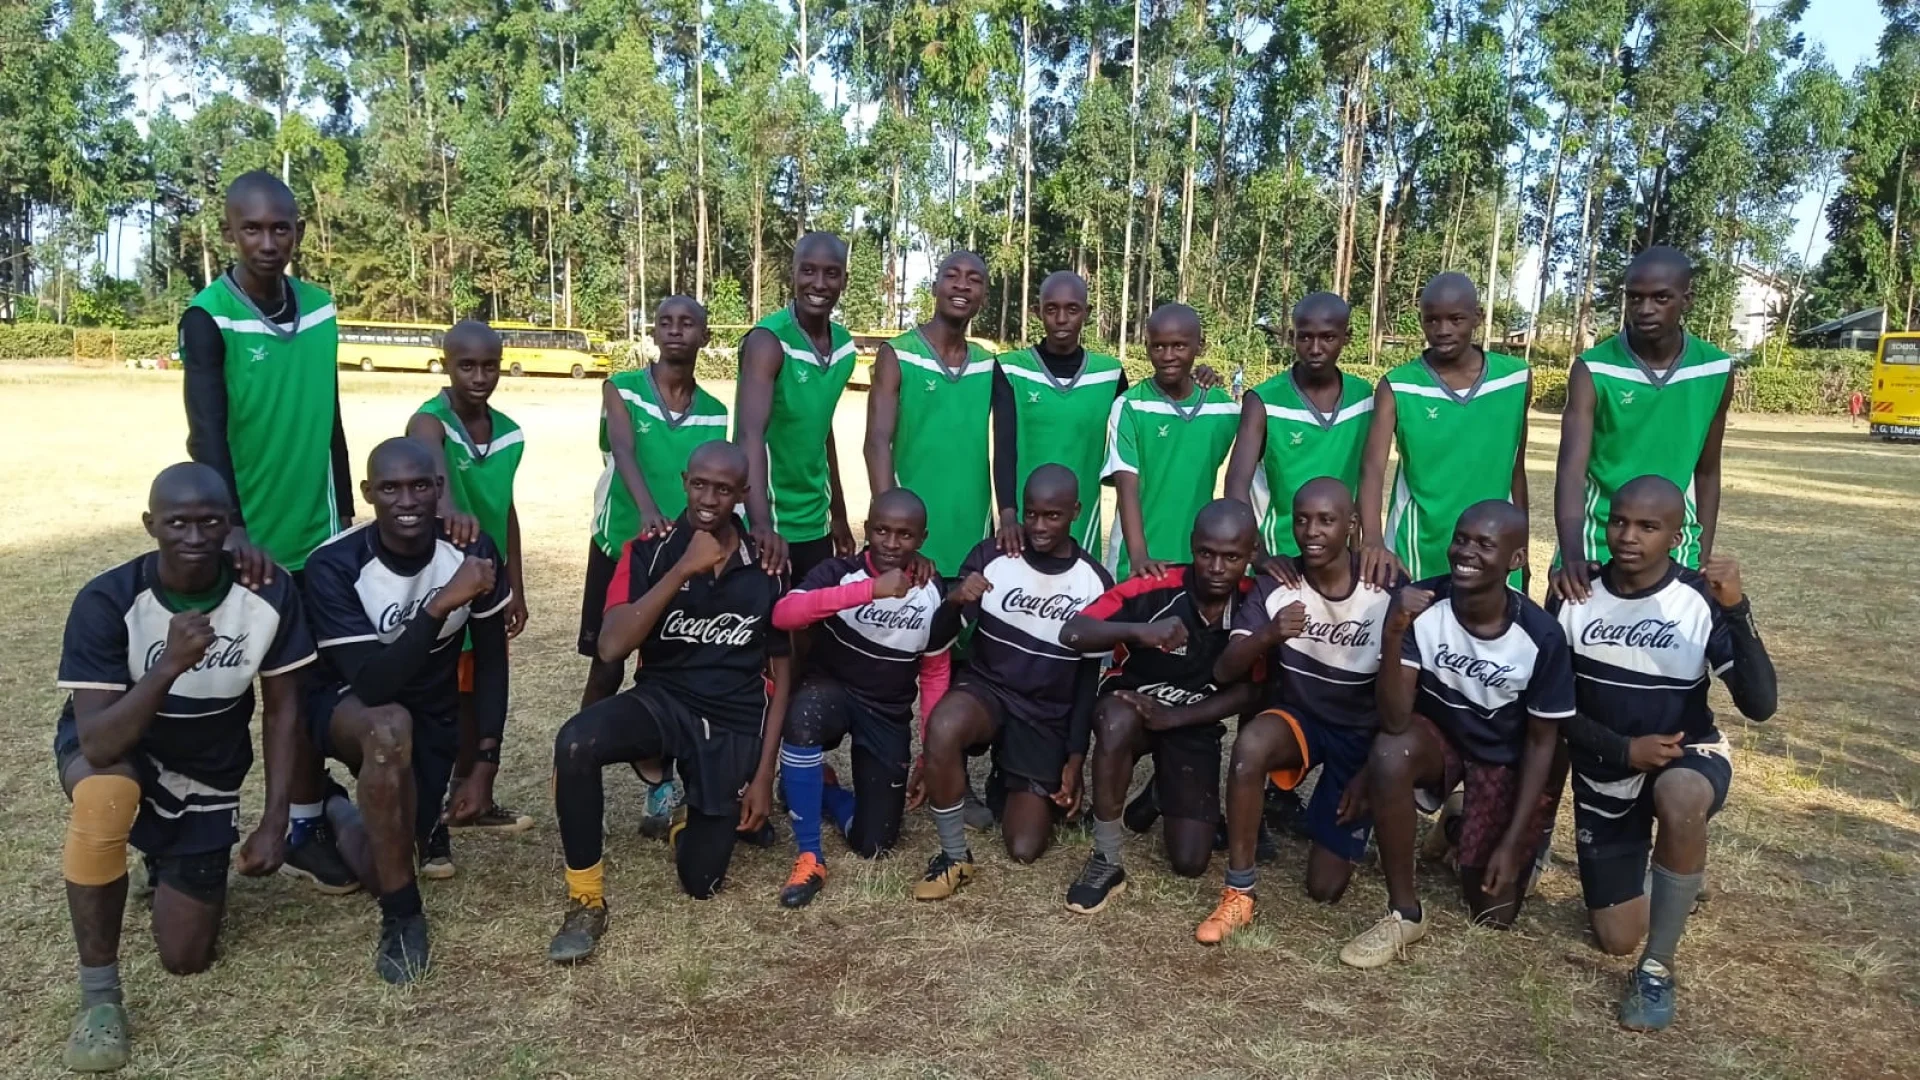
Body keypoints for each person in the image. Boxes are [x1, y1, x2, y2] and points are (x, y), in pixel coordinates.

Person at [52, 464, 316, 1072]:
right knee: (106, 796)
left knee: (186, 956)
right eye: (177, 523)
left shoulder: (268, 592)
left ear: (229, 526)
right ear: (151, 525)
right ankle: (99, 1000)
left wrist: (275, 820)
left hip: (208, 764)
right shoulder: (107, 599)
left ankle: (164, 856)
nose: (194, 537)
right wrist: (169, 664)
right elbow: (98, 742)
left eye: (208, 522)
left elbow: (284, 711)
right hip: (121, 748)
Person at [180, 169, 358, 894]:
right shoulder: (209, 317)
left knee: (306, 689)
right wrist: (231, 529)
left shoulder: (320, 308)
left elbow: (330, 414)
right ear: (229, 231)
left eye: (280, 227)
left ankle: (304, 825)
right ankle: (185, 839)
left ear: (298, 232)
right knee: (221, 696)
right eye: (251, 228)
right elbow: (206, 432)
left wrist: (345, 515)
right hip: (243, 542)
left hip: (317, 537)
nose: (266, 241)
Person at [1548, 476, 1776, 1031]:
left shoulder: (1699, 598)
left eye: (1648, 527)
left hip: (1685, 752)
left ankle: (1656, 971)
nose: (1628, 536)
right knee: (1615, 937)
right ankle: (1679, 878)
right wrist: (1621, 748)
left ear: (1676, 538)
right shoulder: (1574, 592)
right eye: (1618, 522)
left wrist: (1737, 608)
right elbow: (1549, 707)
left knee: (1680, 797)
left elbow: (1760, 704)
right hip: (1606, 765)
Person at [547, 442, 790, 962]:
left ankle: (687, 814)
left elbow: (782, 673)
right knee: (575, 743)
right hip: (664, 701)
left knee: (701, 883)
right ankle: (586, 900)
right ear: (684, 482)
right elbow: (611, 646)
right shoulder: (650, 550)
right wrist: (682, 569)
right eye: (699, 484)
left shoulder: (767, 562)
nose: (708, 499)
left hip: (731, 720)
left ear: (743, 494)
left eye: (723, 489)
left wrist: (764, 775)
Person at [301, 438, 513, 984]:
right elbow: (373, 684)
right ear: (368, 493)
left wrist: (483, 765)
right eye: (390, 488)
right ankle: (402, 916)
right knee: (387, 728)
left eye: (420, 485)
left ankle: (332, 809)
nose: (407, 500)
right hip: (348, 702)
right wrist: (442, 602)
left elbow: (492, 662)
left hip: (430, 710)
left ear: (439, 489)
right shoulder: (333, 564)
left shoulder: (471, 549)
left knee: (392, 852)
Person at [1341, 500, 1574, 969]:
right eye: (1461, 539)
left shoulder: (1541, 636)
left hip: (1503, 758)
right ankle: (1404, 912)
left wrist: (1511, 842)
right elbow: (1394, 720)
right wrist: (1394, 631)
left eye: (1485, 544)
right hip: (1440, 741)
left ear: (1516, 559)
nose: (1466, 552)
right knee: (1390, 752)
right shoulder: (1421, 604)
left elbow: (1542, 744)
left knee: (1493, 914)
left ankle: (1457, 824)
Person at [1191, 478, 1401, 944]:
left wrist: (1372, 771)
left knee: (1324, 889)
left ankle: (1344, 810)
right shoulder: (1278, 583)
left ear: (1351, 525)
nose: (1312, 532)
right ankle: (1239, 891)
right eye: (1302, 520)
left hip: (1360, 737)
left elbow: (1407, 700)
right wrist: (1269, 634)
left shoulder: (1386, 586)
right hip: (1301, 720)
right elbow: (1225, 670)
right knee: (1251, 745)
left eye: (1326, 520)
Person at [914, 465, 1114, 900]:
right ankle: (953, 857)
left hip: (1044, 714)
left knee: (1024, 847)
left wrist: (1075, 758)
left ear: (1076, 512)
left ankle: (1009, 779)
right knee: (944, 724)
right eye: (1031, 513)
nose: (1039, 526)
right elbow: (935, 641)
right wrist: (954, 600)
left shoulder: (1095, 583)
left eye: (1052, 516)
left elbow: (1087, 682)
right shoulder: (993, 556)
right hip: (988, 691)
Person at [1057, 499, 1263, 915]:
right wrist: (1141, 632)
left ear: (1251, 554)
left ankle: (1158, 792)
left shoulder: (1255, 602)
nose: (1217, 567)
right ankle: (1106, 858)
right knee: (1114, 720)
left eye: (1231, 557)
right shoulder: (1156, 586)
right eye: (1206, 553)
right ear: (1192, 546)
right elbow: (1072, 632)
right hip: (1134, 709)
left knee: (1190, 862)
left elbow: (1255, 692)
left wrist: (1177, 717)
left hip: (1192, 720)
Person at [582, 297, 728, 836]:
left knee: (670, 669)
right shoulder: (621, 389)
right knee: (607, 662)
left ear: (704, 336)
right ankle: (577, 763)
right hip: (621, 546)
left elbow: (714, 483)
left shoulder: (715, 411)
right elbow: (622, 449)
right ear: (654, 332)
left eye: (687, 323)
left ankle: (661, 785)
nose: (675, 331)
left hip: (678, 557)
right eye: (665, 322)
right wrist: (646, 511)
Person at [772, 488, 958, 907]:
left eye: (905, 535)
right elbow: (784, 614)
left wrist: (929, 756)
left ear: (922, 539)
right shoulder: (840, 572)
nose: (891, 543)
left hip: (886, 710)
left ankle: (823, 792)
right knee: (803, 716)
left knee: (874, 843)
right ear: (867, 529)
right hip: (833, 690)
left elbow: (935, 673)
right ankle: (810, 856)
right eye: (881, 531)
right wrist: (870, 590)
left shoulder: (932, 589)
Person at [405, 321, 533, 871]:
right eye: (467, 366)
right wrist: (451, 507)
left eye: (490, 366)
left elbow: (505, 509)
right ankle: (430, 817)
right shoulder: (429, 422)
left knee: (480, 687)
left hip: (489, 583)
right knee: (440, 697)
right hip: (444, 582)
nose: (479, 377)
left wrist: (516, 584)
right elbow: (433, 472)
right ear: (446, 365)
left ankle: (471, 795)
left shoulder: (509, 432)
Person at [1553, 248, 1734, 602]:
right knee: (1576, 634)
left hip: (1676, 540)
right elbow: (1571, 472)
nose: (1645, 308)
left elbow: (1708, 471)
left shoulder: (1715, 369)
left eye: (1660, 298)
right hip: (1597, 538)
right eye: (1635, 298)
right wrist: (1571, 554)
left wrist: (1702, 552)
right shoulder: (1593, 368)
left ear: (1687, 300)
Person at [1359, 273, 1531, 586]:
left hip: (1496, 549)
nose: (1443, 330)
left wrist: (1524, 542)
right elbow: (1372, 469)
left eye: (1456, 319)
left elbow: (1516, 469)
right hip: (1418, 550)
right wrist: (1371, 538)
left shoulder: (1515, 378)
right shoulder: (1398, 385)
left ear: (1478, 317)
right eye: (1432, 320)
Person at [865, 250, 998, 579]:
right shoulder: (898, 354)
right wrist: (893, 529)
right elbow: (876, 443)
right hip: (910, 536)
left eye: (974, 280)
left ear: (984, 295)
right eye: (952, 276)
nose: (962, 285)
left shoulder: (988, 364)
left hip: (972, 529)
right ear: (935, 287)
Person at [735, 233, 858, 581]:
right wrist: (760, 524)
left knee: (813, 612)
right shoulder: (768, 341)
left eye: (831, 273)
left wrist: (838, 515)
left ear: (844, 280)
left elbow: (822, 430)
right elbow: (749, 434)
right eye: (808, 271)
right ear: (793, 273)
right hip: (768, 521)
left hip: (815, 520)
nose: (818, 283)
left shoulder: (844, 348)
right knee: (767, 614)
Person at [1225, 293, 1376, 569]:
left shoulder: (1364, 397)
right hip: (1281, 558)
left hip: (1339, 560)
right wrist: (1260, 556)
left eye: (1327, 337)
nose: (1315, 348)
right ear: (1292, 337)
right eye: (1305, 337)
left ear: (1347, 337)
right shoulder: (1264, 401)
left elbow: (1369, 475)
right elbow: (1235, 485)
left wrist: (1362, 544)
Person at [991, 271, 1127, 559]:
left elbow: (1153, 401)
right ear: (1037, 311)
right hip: (1026, 521)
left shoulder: (1110, 374)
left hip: (1082, 520)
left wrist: (1199, 378)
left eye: (1072, 309)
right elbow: (1003, 449)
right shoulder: (1011, 368)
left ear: (1087, 313)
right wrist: (1008, 515)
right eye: (1051, 309)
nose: (1061, 319)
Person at [1104, 303, 1240, 580]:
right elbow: (1126, 487)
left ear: (1199, 346)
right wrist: (1138, 555)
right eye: (1158, 346)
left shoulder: (1224, 409)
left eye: (1179, 346)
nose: (1168, 356)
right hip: (1137, 561)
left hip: (1199, 562)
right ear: (1147, 347)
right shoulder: (1131, 406)